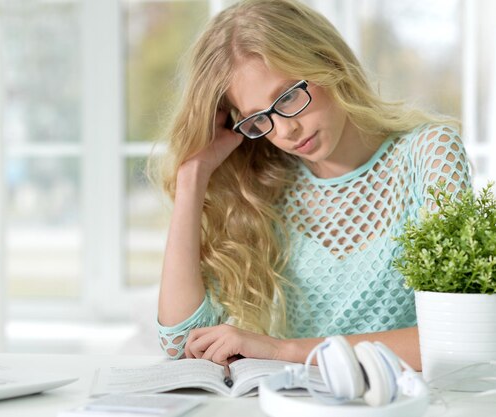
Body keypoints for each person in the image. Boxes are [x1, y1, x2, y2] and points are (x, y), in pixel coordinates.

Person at [152, 0, 472, 370]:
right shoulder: (265, 187)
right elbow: (179, 343)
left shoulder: (430, 154)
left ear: (328, 62)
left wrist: (283, 350)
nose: (286, 130)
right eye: (259, 118)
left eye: (288, 97)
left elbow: (455, 334)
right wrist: (192, 176)